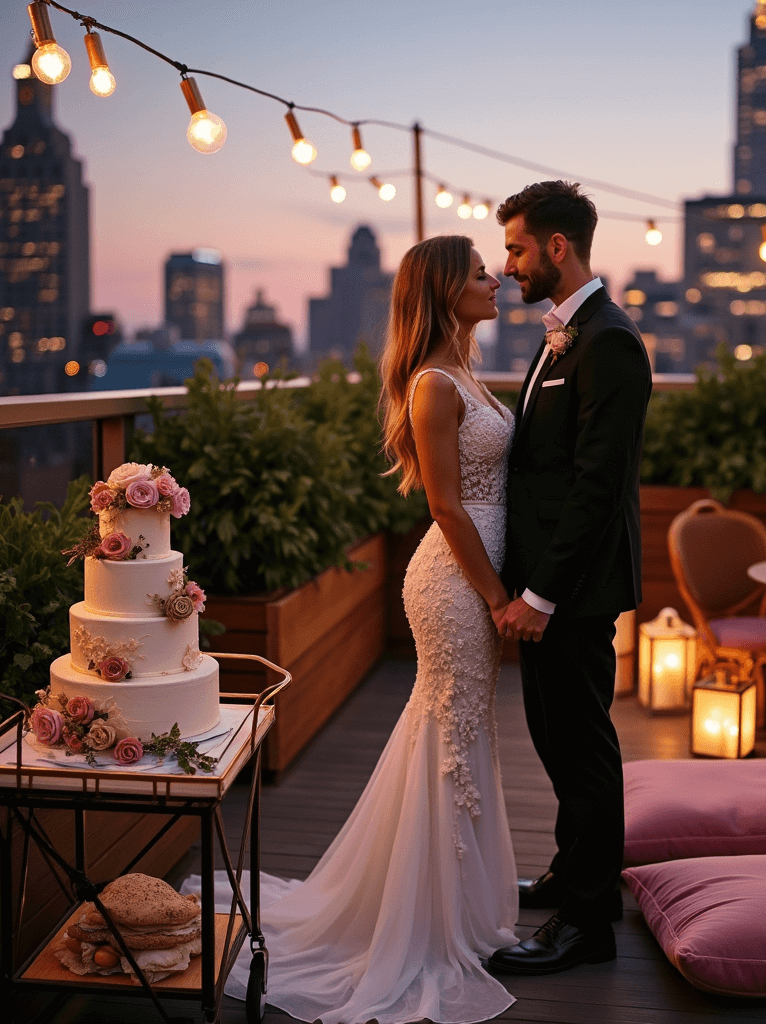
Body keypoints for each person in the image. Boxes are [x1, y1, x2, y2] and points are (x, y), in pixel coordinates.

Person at [187, 235, 519, 1023]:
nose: (494, 277)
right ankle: (423, 920)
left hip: (473, 578)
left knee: (458, 735)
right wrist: (499, 595)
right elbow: (443, 506)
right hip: (455, 582)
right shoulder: (435, 385)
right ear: (445, 292)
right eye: (479, 271)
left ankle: (453, 906)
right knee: (450, 732)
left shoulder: (463, 371)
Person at [487, 181, 652, 976]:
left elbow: (598, 485)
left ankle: (589, 924)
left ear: (558, 248)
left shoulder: (608, 341)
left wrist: (540, 596)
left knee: (584, 749)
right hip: (548, 588)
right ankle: (570, 874)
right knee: (557, 741)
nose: (506, 262)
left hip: (573, 594)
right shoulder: (566, 335)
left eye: (517, 247)